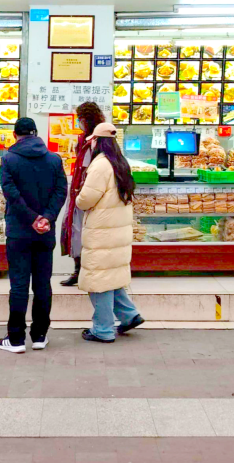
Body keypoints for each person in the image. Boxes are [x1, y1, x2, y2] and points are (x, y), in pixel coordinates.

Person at [0, 117, 68, 353]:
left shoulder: (9, 159)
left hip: (19, 231)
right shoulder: (54, 159)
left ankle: (16, 339)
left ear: (14, 135)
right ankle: (39, 336)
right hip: (45, 232)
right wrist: (46, 217)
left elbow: (11, 193)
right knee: (42, 284)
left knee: (19, 285)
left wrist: (30, 218)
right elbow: (61, 191)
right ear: (36, 133)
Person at [75, 122, 144, 343]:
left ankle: (102, 330)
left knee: (99, 280)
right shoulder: (120, 163)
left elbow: (87, 199)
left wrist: (77, 198)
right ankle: (129, 315)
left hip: (102, 232)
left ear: (97, 141)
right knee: (110, 276)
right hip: (118, 231)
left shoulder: (100, 165)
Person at [60, 102, 106, 287]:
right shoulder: (83, 140)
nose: (78, 122)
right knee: (76, 231)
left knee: (90, 233)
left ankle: (89, 272)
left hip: (92, 191)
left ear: (87, 119)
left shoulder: (99, 141)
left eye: (80, 118)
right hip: (80, 191)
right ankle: (78, 270)